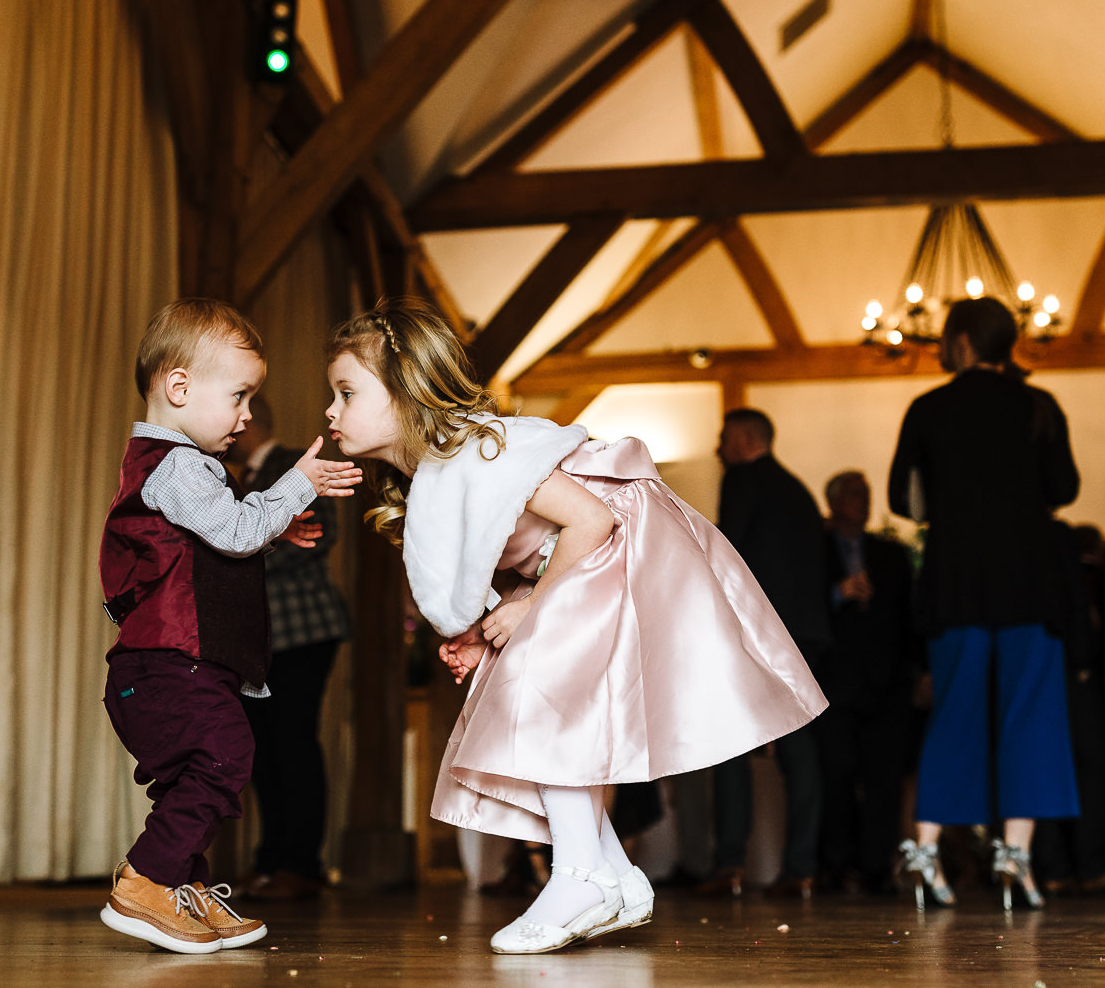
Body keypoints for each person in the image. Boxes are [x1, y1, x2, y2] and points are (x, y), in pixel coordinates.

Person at [323, 298, 826, 954]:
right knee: (519, 686)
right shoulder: (433, 478)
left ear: (405, 389)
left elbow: (592, 521)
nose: (331, 410)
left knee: (540, 688)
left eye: (346, 392)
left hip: (627, 544)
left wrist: (529, 607)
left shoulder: (479, 452)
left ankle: (580, 876)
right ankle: (613, 877)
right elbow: (513, 555)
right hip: (584, 559)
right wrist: (486, 629)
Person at [97, 298, 361, 953]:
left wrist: (272, 531)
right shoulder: (180, 464)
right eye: (239, 396)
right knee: (224, 758)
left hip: (169, 665)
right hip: (171, 663)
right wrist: (296, 484)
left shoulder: (170, 467)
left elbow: (208, 549)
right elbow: (236, 532)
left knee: (200, 775)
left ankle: (181, 887)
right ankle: (146, 882)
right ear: (179, 387)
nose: (247, 415)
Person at [888, 297, 1081, 912]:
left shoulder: (927, 408)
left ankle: (924, 850)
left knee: (956, 712)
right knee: (1031, 714)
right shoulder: (1037, 405)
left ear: (964, 342)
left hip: (955, 581)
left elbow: (901, 498)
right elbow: (1066, 489)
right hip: (1029, 579)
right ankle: (1015, 858)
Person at [696, 409, 832, 899]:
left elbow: (728, 554)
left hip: (761, 633)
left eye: (723, 437)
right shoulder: (799, 491)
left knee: (732, 745)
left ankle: (730, 863)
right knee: (801, 754)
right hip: (806, 635)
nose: (717, 448)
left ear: (746, 438)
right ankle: (802, 868)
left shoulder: (743, 480)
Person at [229, 396, 353, 899]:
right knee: (261, 749)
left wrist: (237, 559)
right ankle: (272, 858)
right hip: (258, 640)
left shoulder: (295, 463)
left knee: (294, 743)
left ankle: (301, 865)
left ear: (249, 419)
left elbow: (319, 535)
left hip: (303, 630)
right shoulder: (229, 475)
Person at [815, 471, 923, 894]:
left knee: (884, 779)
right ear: (835, 502)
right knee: (836, 775)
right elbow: (803, 608)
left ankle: (876, 866)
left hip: (887, 682)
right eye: (855, 494)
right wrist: (839, 594)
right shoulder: (816, 551)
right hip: (834, 683)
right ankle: (837, 864)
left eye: (866, 493)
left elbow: (908, 617)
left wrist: (918, 671)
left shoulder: (890, 553)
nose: (863, 500)